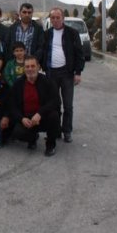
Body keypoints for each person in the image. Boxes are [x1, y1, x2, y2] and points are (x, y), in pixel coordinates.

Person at [42, 7, 84, 143]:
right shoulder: (47, 34)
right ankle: (56, 130)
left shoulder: (72, 33)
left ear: (63, 18)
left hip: (67, 73)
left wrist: (78, 72)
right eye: (52, 17)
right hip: (51, 73)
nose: (55, 20)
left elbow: (79, 54)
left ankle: (67, 131)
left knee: (68, 105)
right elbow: (43, 51)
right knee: (54, 104)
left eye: (57, 17)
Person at [9, 55, 61, 157]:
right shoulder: (18, 84)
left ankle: (50, 145)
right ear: (24, 68)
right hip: (27, 118)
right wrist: (22, 118)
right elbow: (12, 105)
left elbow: (56, 101)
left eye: (33, 66)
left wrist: (40, 114)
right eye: (27, 66)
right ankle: (32, 138)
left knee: (54, 116)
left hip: (42, 117)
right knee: (16, 132)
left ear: (38, 67)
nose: (30, 69)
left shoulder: (48, 81)